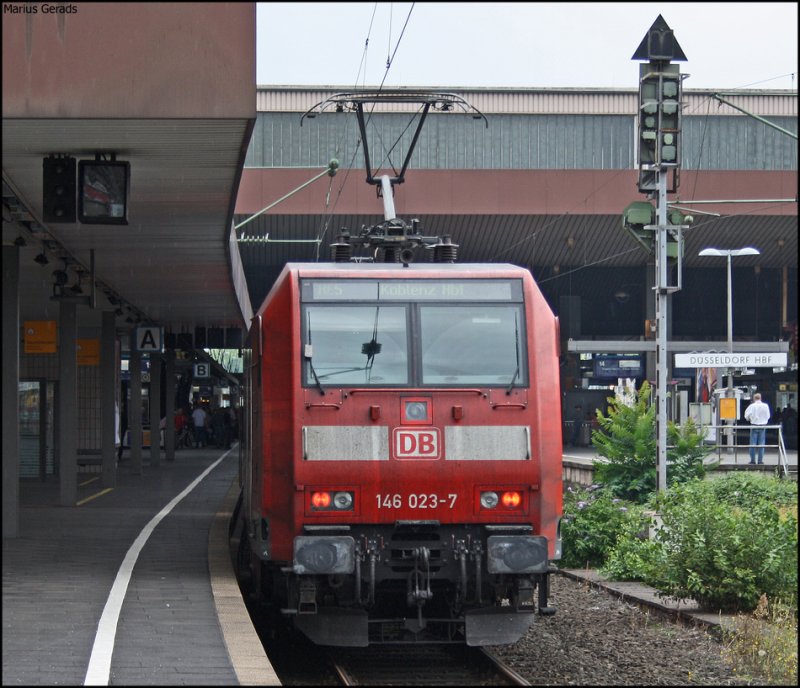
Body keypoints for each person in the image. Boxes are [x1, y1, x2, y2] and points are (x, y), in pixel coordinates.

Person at [743, 392, 770, 464]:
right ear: (760, 398)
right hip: (763, 426)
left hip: (754, 425)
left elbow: (746, 416)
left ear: (754, 398)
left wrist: (750, 419)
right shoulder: (766, 406)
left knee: (752, 444)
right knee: (761, 444)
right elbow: (768, 416)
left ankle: (752, 460)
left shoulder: (751, 406)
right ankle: (760, 461)